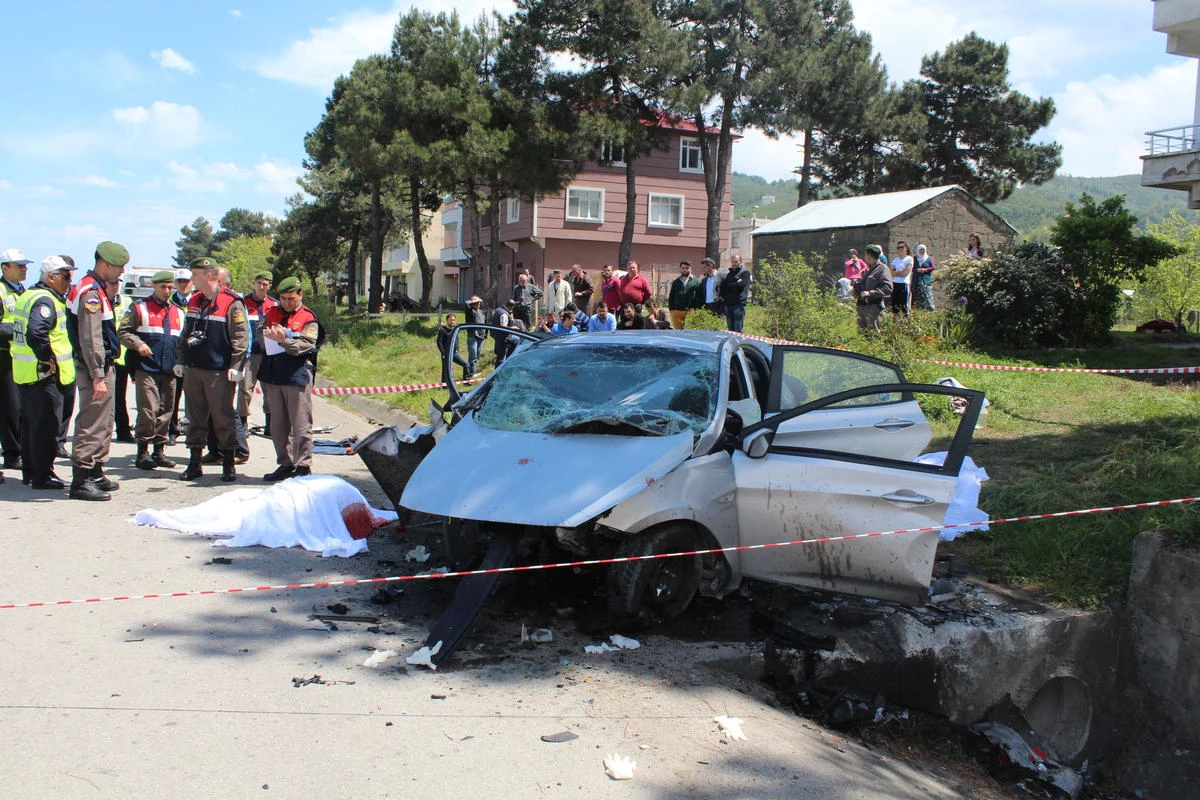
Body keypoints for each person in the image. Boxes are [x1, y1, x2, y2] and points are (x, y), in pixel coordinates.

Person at [175, 257, 250, 482]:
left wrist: (237, 365)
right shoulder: (196, 300)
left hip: (218, 370)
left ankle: (228, 463)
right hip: (195, 368)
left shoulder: (231, 302)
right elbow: (186, 333)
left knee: (223, 417)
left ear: (209, 275)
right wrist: (181, 359)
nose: (192, 279)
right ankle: (194, 463)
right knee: (195, 417)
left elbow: (240, 336)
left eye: (195, 275)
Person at [66, 241, 129, 501]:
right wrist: (97, 375)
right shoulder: (90, 292)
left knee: (104, 421)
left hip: (102, 365)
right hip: (96, 367)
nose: (121, 273)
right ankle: (81, 479)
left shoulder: (97, 289)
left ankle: (95, 471)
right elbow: (91, 338)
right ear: (105, 264)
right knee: (92, 422)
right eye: (119, 267)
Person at [11, 255, 76, 490]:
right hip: (43, 375)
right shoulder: (45, 300)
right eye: (66, 276)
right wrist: (46, 358)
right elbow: (37, 333)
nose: (69, 281)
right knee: (46, 427)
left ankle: (30, 471)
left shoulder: (28, 294)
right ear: (51, 277)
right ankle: (42, 475)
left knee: (31, 426)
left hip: (26, 372)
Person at [119, 270, 184, 471]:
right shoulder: (139, 307)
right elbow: (123, 331)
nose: (167, 291)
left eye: (170, 288)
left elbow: (181, 341)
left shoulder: (178, 311)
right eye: (163, 287)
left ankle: (159, 451)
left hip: (170, 369)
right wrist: (138, 344)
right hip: (146, 367)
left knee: (166, 411)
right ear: (154, 287)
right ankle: (143, 452)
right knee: (148, 410)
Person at [257, 277, 321, 482]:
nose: (286, 302)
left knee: (300, 423)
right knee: (278, 425)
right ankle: (285, 463)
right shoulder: (271, 313)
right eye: (283, 298)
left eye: (291, 298)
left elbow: (307, 345)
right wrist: (267, 337)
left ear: (300, 294)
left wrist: (283, 340)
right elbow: (259, 335)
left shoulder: (308, 318)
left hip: (297, 374)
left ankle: (302, 466)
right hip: (274, 375)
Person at [0, 248, 32, 476]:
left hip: (20, 358)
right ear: (5, 268)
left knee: (21, 408)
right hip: (4, 356)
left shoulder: (23, 292)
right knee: (10, 408)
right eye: (19, 265)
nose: (24, 269)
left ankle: (18, 450)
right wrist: (18, 330)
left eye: (25, 265)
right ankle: (12, 454)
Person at [241, 270, 277, 440]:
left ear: (270, 286)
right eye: (259, 283)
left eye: (265, 284)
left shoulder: (275, 305)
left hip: (269, 355)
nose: (262, 287)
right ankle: (242, 423)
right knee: (245, 389)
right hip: (249, 354)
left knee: (269, 391)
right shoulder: (242, 303)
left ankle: (270, 425)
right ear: (254, 284)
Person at [106, 278, 135, 443]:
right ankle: (104, 431)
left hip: (122, 357)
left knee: (119, 396)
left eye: (117, 283)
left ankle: (123, 430)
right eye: (111, 283)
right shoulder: (100, 299)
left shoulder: (126, 301)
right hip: (106, 355)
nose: (114, 286)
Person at [167, 268, 192, 444]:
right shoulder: (169, 302)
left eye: (187, 281)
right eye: (180, 282)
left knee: (195, 397)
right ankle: (172, 430)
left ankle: (194, 431)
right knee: (173, 395)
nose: (183, 285)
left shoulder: (199, 301)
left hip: (194, 354)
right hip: (175, 355)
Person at [854, 244, 892, 333]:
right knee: (862, 336)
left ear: (870, 256)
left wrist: (870, 293)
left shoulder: (882, 269)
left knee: (874, 336)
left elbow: (888, 287)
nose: (864, 257)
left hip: (874, 308)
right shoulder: (868, 270)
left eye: (865, 255)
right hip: (862, 306)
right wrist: (855, 290)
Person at [719, 253, 752, 332]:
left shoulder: (745, 273)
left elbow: (741, 286)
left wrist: (731, 285)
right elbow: (723, 288)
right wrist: (735, 283)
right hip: (728, 304)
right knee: (730, 330)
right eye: (732, 262)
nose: (734, 263)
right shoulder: (729, 274)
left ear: (740, 262)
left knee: (738, 330)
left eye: (736, 261)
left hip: (738, 304)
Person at [436, 313, 471, 380]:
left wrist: (457, 348)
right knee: (447, 370)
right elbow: (439, 342)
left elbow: (456, 339)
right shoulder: (442, 330)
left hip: (455, 353)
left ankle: (466, 381)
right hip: (446, 354)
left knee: (466, 364)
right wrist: (443, 353)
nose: (452, 322)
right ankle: (445, 386)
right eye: (451, 320)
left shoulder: (454, 330)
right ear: (447, 320)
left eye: (454, 320)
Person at [667, 261, 699, 330]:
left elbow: (699, 297)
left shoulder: (696, 281)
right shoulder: (676, 282)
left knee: (689, 332)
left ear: (691, 269)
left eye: (687, 268)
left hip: (691, 312)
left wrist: (696, 309)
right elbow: (671, 296)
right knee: (678, 333)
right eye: (683, 268)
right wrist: (672, 309)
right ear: (680, 269)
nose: (685, 270)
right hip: (677, 312)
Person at [463, 296, 486, 377]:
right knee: (473, 356)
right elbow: (466, 303)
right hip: (473, 336)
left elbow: (484, 322)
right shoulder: (469, 311)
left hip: (481, 336)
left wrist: (485, 334)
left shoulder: (481, 312)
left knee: (477, 356)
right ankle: (471, 373)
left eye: (479, 302)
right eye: (477, 302)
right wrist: (475, 300)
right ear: (473, 303)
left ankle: (473, 372)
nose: (479, 304)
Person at [889, 241, 913, 316]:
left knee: (904, 307)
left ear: (906, 248)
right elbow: (890, 272)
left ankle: (906, 324)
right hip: (895, 284)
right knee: (895, 307)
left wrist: (895, 272)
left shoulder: (909, 259)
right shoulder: (895, 260)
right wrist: (898, 272)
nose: (900, 249)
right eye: (898, 247)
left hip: (904, 284)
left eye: (902, 247)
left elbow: (905, 273)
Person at [912, 244, 936, 311]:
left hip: (926, 281)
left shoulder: (929, 258)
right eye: (920, 250)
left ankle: (930, 311)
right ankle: (917, 310)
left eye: (923, 250)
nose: (922, 251)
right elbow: (911, 268)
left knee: (927, 296)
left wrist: (925, 270)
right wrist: (917, 270)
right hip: (916, 281)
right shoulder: (914, 259)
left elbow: (933, 267)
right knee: (917, 297)